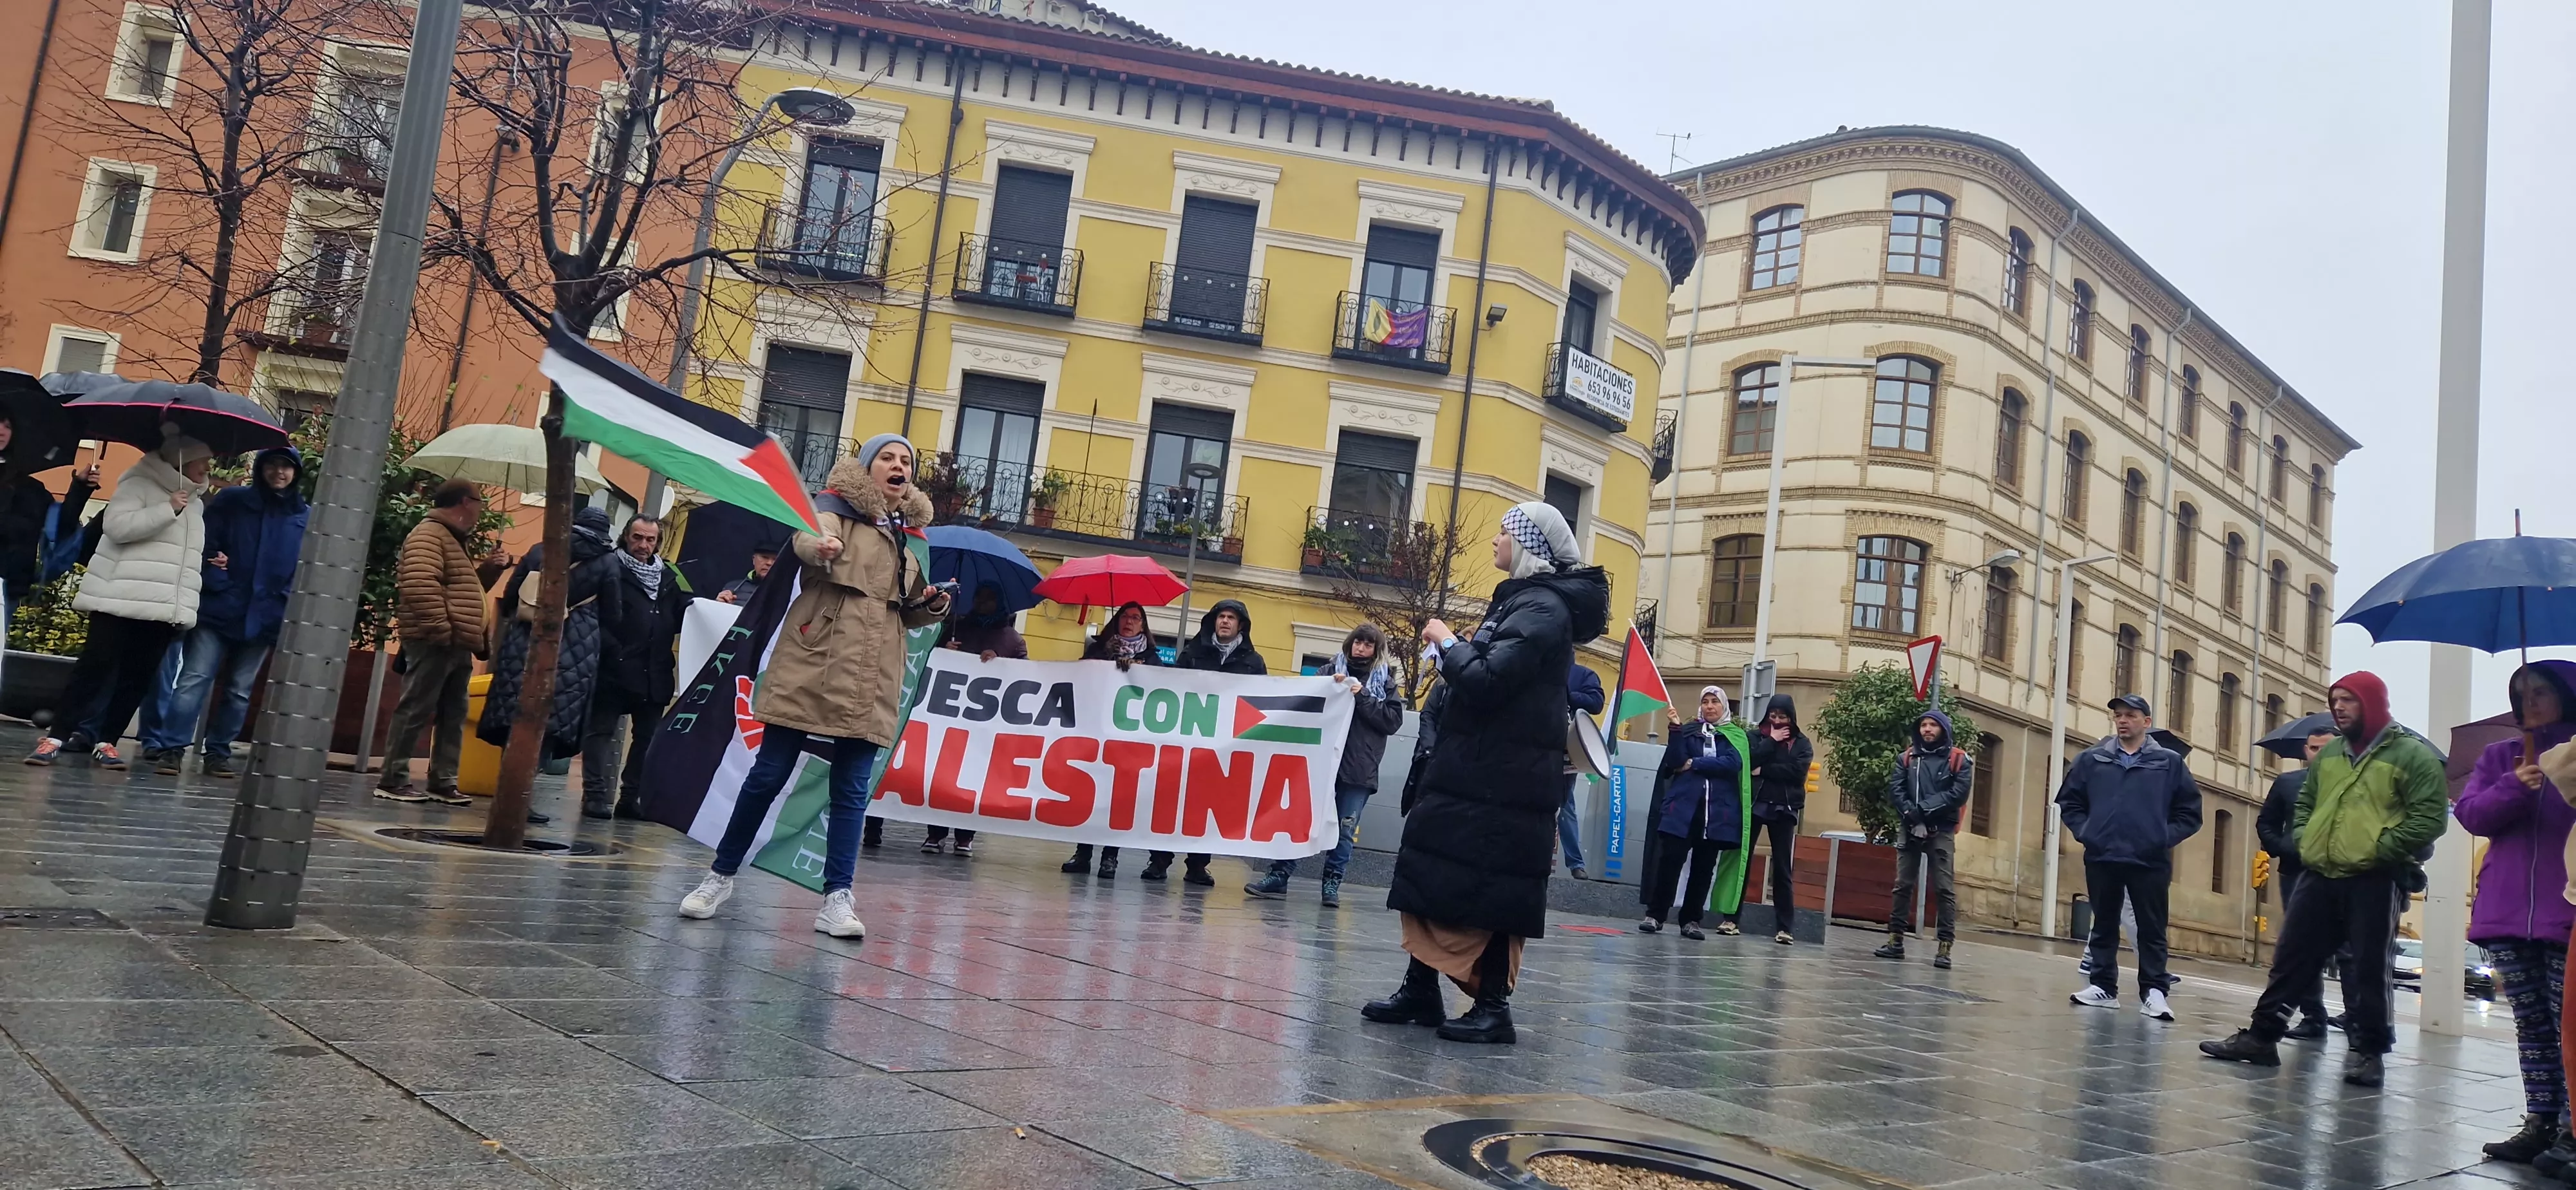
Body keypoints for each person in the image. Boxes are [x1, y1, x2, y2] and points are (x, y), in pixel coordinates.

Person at [678, 435, 949, 938]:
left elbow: (905, 609)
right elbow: (808, 539)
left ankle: (837, 899)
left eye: (906, 460)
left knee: (850, 791)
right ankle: (719, 875)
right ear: (867, 469)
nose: (898, 466)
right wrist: (819, 545)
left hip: (873, 673)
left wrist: (930, 603)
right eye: (887, 458)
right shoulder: (834, 509)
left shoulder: (907, 535)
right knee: (768, 775)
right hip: (814, 662)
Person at [1363, 500, 1606, 1045]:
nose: (1495, 539)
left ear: (1527, 546)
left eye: (1504, 532)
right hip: (1478, 772)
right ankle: (1421, 988)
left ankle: (1494, 1007)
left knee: (1496, 889)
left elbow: (1491, 680)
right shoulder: (1525, 603)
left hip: (1505, 779)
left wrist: (1447, 643)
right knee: (1432, 870)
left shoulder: (1542, 608)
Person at [2201, 672, 2448, 1088]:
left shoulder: (2411, 756)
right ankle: (2262, 1037)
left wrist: (2379, 849)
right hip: (2319, 872)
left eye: (2349, 700)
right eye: (2335, 699)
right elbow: (2307, 804)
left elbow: (2429, 819)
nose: (2339, 707)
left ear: (2372, 703)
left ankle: (2368, 1052)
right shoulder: (2331, 754)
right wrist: (2306, 840)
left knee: (2368, 967)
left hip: (2374, 877)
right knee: (2292, 958)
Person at [25, 435, 211, 769]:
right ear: (182, 460)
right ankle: (56, 736)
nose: (208, 468)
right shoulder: (138, 484)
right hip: (119, 597)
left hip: (163, 607)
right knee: (94, 669)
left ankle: (107, 740)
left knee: (137, 678)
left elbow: (183, 557)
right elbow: (117, 527)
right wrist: (167, 508)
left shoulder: (195, 502)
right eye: (203, 461)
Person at [2455, 663, 2576, 1162]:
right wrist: (2513, 787)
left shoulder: (2573, 754)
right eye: (2521, 693)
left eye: (2542, 692)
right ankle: (2540, 1121)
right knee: (2531, 1024)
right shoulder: (2499, 756)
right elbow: (2471, 815)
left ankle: (2572, 1127)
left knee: (2566, 1021)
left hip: (2562, 909)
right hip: (2505, 911)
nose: (2531, 702)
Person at [140, 446, 304, 777]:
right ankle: (171, 748)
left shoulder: (304, 516)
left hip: (266, 617)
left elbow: (306, 568)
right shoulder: (233, 502)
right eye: (272, 465)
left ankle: (218, 753)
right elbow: (204, 544)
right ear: (260, 468)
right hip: (218, 610)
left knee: (239, 691)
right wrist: (219, 581)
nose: (279, 472)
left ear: (297, 473)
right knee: (194, 679)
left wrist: (284, 598)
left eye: (287, 467)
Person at [2058, 694, 2201, 1015]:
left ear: (2146, 722)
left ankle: (2154, 992)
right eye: (2118, 715)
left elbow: (2189, 813)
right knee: (2104, 924)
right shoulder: (2092, 760)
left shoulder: (2168, 763)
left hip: (2149, 860)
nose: (2123, 721)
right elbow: (2070, 803)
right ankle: (2103, 987)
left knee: (2152, 927)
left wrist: (2161, 838)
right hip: (2102, 855)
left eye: (2131, 715)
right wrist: (2088, 833)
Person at [1246, 623, 1405, 907]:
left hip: (1358, 769)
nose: (1361, 648)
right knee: (1300, 818)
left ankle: (1331, 884)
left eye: (1368, 644)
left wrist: (1363, 696)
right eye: (1358, 642)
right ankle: (1279, 875)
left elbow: (1392, 721)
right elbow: (1303, 701)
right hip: (1318, 763)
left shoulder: (1385, 682)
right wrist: (1329, 688)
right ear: (1350, 643)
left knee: (1344, 829)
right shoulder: (1328, 671)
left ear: (1376, 650)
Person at [476, 505, 618, 791]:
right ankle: (522, 794)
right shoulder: (608, 563)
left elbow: (511, 597)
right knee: (549, 723)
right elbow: (614, 615)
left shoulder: (540, 551)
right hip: (577, 652)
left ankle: (507, 789)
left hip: (525, 643)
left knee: (517, 715)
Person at [375, 480, 492, 802]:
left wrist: (491, 571)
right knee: (415, 708)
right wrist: (441, 630)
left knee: (454, 712)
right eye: (480, 503)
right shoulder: (429, 535)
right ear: (465, 502)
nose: (481, 510)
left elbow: (460, 592)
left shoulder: (452, 539)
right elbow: (419, 586)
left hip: (456, 642)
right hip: (436, 641)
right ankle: (393, 778)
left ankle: (444, 780)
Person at [1157, 598, 1264, 885]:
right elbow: (1171, 689)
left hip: (1224, 750)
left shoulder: (1253, 663)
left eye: (1231, 617)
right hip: (1187, 743)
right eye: (1221, 617)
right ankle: (1159, 861)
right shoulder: (1192, 653)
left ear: (1241, 625)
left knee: (1206, 806)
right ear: (1213, 622)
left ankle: (1197, 865)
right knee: (1173, 802)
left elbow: (1261, 701)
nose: (1225, 621)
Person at [916, 583, 1028, 856]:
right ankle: (936, 833)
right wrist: (945, 648)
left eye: (989, 599)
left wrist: (1001, 661)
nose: (982, 603)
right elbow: (928, 656)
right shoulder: (956, 626)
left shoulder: (1012, 640)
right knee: (942, 773)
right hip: (948, 716)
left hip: (986, 722)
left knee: (974, 778)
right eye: (979, 598)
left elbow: (1025, 676)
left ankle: (965, 836)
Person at [587, 515, 685, 820]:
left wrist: (713, 603)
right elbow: (591, 615)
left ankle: (631, 798)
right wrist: (612, 650)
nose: (644, 545)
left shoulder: (669, 575)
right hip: (613, 670)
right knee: (600, 733)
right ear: (626, 537)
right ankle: (595, 796)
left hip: (654, 673)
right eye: (638, 538)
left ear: (658, 542)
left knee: (648, 739)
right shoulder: (608, 567)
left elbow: (682, 614)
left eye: (651, 539)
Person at [1062, 600, 1162, 878]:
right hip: (1096, 735)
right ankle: (1083, 854)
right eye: (1124, 617)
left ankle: (1110, 857)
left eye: (1136, 617)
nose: (1129, 621)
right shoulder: (1098, 649)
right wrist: (1106, 663)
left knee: (1118, 800)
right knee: (1090, 795)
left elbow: (1163, 690)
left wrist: (1140, 671)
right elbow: (1079, 678)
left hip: (1129, 740)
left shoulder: (1153, 659)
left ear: (1143, 624)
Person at [1640, 686, 1748, 941]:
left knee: (1703, 869)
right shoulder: (1688, 732)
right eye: (1705, 702)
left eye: (1715, 702)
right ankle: (1656, 915)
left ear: (1724, 707)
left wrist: (1696, 763)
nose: (1710, 707)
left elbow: (1733, 763)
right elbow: (1676, 761)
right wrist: (1675, 729)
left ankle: (1691, 920)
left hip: (1716, 816)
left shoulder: (1734, 736)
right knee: (1669, 864)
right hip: (1682, 811)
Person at [2256, 722, 2340, 1039]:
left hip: (2338, 872)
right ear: (2305, 750)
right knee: (2301, 944)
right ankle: (2313, 1016)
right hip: (2295, 872)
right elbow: (2266, 822)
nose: (2319, 754)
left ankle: (2356, 1019)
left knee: (2347, 949)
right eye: (2314, 748)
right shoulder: (2288, 783)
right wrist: (2282, 848)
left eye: (2326, 748)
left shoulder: (2349, 784)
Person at [1874, 708, 1975, 968]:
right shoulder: (1907, 758)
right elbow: (1896, 790)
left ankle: (1944, 948)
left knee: (1944, 888)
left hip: (1941, 830)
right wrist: (1911, 815)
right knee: (1902, 885)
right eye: (1923, 726)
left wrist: (1923, 812)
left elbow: (1957, 795)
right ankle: (1895, 941)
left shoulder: (1959, 760)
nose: (1927, 730)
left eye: (1933, 725)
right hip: (1910, 827)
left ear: (1944, 729)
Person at [1728, 694, 1813, 944]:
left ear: (1792, 718)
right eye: (1773, 716)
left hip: (1784, 809)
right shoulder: (1756, 737)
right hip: (1755, 805)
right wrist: (1771, 742)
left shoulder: (1801, 743)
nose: (1777, 721)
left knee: (1783, 869)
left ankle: (1785, 928)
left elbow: (1797, 774)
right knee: (1742, 861)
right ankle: (1731, 919)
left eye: (1783, 717)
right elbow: (1747, 761)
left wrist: (1765, 770)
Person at [0, 419, 96, 627]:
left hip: (11, 585)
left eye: (8, 425)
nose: (2, 431)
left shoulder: (28, 488)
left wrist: (79, 488)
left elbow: (59, 527)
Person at [1560, 663, 1602, 880]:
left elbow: (1596, 703)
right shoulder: (1535, 664)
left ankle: (1576, 863)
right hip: (1533, 746)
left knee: (1564, 805)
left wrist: (1567, 694)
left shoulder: (1584, 674)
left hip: (1567, 750)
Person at [713, 543, 777, 605]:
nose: (769, 563)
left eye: (775, 559)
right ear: (754, 560)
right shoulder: (732, 587)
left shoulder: (786, 592)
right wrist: (719, 604)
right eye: (765, 557)